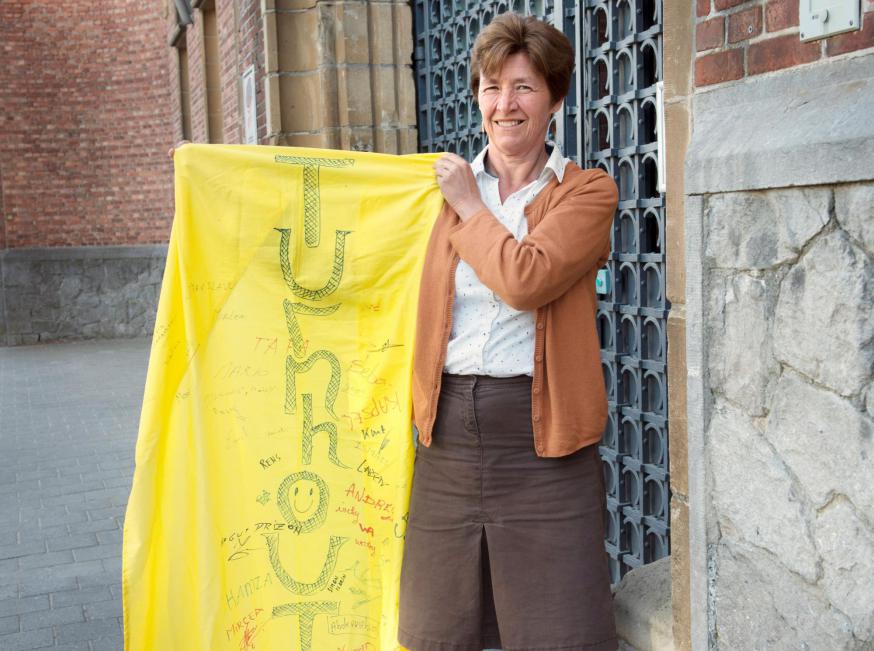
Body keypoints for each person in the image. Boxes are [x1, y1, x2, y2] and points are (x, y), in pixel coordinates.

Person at [400, 12, 619, 651]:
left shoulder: (587, 193)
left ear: (553, 98)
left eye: (523, 87)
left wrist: (471, 207)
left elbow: (526, 278)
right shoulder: (430, 195)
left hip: (543, 447)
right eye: (492, 87)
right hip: (447, 445)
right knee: (432, 634)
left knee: (560, 635)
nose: (505, 104)